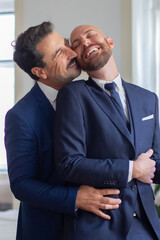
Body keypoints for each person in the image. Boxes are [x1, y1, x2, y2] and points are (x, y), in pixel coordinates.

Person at [4, 22, 121, 240]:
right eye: (60, 52)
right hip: (49, 230)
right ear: (39, 71)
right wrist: (75, 198)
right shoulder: (20, 116)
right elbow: (21, 185)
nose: (72, 52)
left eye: (67, 44)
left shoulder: (93, 93)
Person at [55, 24, 160, 240]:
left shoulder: (148, 98)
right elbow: (69, 164)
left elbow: (155, 164)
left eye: (90, 35)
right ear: (79, 61)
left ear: (109, 42)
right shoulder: (73, 96)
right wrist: (132, 169)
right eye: (76, 44)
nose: (84, 42)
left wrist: (146, 169)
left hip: (146, 227)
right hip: (99, 226)